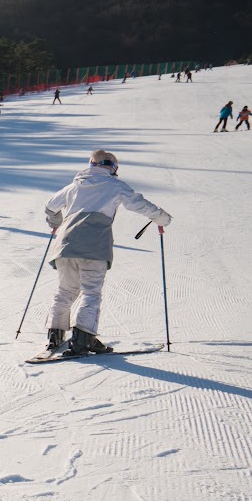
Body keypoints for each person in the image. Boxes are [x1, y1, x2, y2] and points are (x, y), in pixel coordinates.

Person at [40, 150, 172, 356]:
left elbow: (50, 207)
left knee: (66, 290)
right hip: (94, 245)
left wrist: (56, 223)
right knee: (90, 292)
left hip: (65, 245)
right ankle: (83, 339)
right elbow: (140, 204)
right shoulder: (115, 186)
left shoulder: (74, 186)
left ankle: (54, 336)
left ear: (91, 165)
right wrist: (162, 218)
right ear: (112, 168)